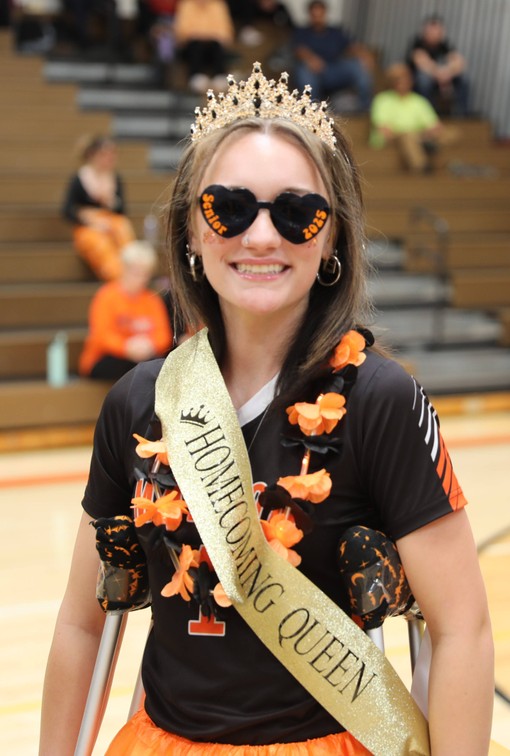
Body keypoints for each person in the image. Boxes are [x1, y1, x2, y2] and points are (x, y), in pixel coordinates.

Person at [40, 62, 494, 755]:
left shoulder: (381, 401)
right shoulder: (139, 401)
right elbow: (83, 622)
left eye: (295, 212)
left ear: (333, 236)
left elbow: (461, 630)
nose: (260, 238)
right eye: (229, 207)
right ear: (191, 232)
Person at [78, 240, 173, 381]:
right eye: (136, 272)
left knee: (154, 367)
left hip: (143, 357)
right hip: (105, 358)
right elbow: (101, 336)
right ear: (124, 269)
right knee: (136, 370)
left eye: (145, 273)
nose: (140, 278)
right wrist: (126, 347)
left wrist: (150, 345)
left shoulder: (152, 300)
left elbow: (163, 335)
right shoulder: (106, 296)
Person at [62, 135, 136, 281]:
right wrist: (85, 217)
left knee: (124, 230)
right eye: (104, 154)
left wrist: (110, 201)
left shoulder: (115, 178)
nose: (109, 159)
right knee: (101, 244)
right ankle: (118, 278)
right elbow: (67, 209)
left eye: (112, 154)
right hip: (89, 225)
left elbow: (122, 211)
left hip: (112, 222)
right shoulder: (80, 178)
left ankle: (134, 270)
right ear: (93, 155)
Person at [370, 62, 460, 173]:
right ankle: (421, 167)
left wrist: (429, 133)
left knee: (452, 132)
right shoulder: (382, 100)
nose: (403, 82)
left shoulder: (419, 101)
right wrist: (410, 135)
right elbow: (384, 130)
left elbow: (435, 126)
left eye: (406, 79)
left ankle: (424, 146)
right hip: (395, 138)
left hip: (420, 136)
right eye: (399, 79)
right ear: (392, 82)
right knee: (408, 137)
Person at [291, 0, 373, 110]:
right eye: (315, 15)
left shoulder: (336, 32)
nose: (318, 18)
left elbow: (352, 46)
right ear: (310, 15)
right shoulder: (302, 32)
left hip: (334, 70)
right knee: (303, 71)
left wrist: (364, 55)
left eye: (320, 15)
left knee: (356, 65)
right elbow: (299, 50)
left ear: (325, 14)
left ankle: (364, 106)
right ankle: (312, 109)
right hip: (314, 73)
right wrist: (310, 59)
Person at [406, 14, 469, 117]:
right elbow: (422, 62)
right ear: (425, 32)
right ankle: (426, 114)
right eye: (432, 31)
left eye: (438, 31)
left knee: (464, 79)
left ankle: (462, 114)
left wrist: (448, 73)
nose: (436, 34)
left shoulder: (444, 45)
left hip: (441, 78)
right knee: (424, 80)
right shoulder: (417, 43)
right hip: (419, 79)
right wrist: (440, 73)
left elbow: (460, 62)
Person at [173, 0, 235, 93]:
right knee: (196, 45)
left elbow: (225, 31)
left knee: (216, 45)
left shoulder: (218, 5)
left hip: (213, 44)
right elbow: (181, 30)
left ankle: (219, 76)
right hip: (192, 44)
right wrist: (200, 36)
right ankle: (195, 77)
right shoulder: (186, 4)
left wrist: (208, 36)